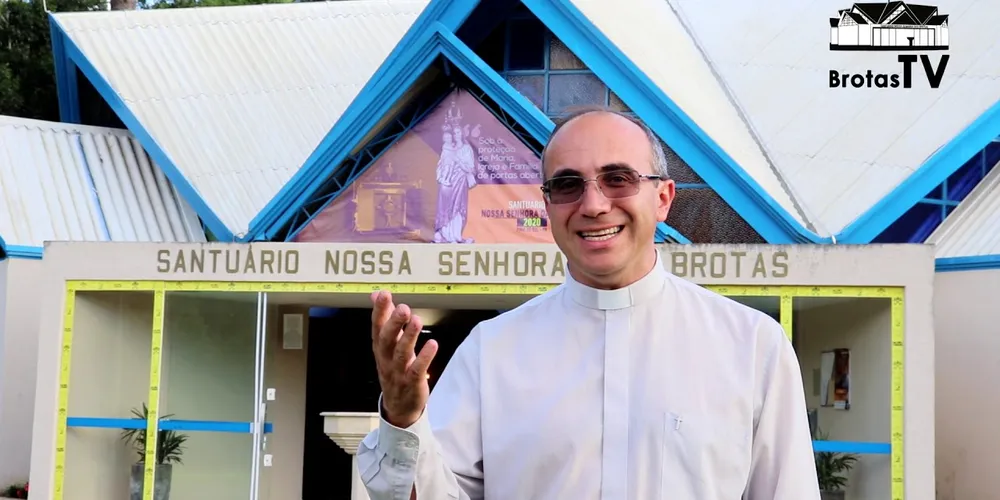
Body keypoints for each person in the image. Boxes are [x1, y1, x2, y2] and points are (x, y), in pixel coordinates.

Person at [358, 108, 821, 499]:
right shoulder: (492, 350)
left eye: (618, 179)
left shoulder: (751, 345)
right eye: (567, 185)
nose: (594, 204)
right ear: (547, 206)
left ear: (662, 198)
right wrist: (403, 419)